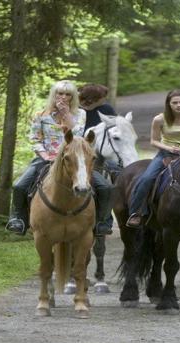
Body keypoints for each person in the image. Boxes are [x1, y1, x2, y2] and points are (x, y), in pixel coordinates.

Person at [5, 80, 114, 236]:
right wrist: (44, 154)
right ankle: (18, 219)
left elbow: (76, 136)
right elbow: (35, 139)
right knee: (19, 185)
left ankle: (103, 222)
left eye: (68, 94)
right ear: (54, 95)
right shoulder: (40, 115)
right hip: (46, 159)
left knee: (105, 187)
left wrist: (66, 115)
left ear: (73, 97)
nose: (63, 97)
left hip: (74, 158)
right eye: (60, 93)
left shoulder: (80, 114)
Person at [125, 89, 180, 228]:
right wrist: (168, 148)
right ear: (168, 104)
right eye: (175, 102)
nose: (178, 105)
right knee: (146, 179)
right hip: (166, 154)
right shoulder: (159, 119)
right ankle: (136, 212)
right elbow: (153, 141)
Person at [78, 83, 117, 235]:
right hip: (81, 150)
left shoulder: (106, 109)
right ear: (92, 99)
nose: (104, 100)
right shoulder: (77, 110)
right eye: (102, 98)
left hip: (103, 151)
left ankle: (106, 220)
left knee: (116, 173)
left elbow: (115, 128)